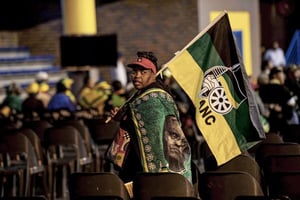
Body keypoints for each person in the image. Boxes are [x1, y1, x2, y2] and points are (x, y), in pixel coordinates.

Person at [108, 51, 192, 184]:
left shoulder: (154, 98)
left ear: (153, 74)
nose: (137, 76)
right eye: (134, 72)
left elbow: (150, 128)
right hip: (139, 159)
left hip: (160, 166)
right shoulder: (140, 95)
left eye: (143, 72)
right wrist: (122, 117)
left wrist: (124, 118)